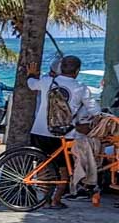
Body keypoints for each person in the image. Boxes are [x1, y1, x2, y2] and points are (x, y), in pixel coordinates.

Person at [26, 55, 99, 210]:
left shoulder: (47, 82)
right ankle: (55, 200)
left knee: (43, 166)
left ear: (60, 68)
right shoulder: (81, 88)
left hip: (38, 131)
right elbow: (95, 110)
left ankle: (44, 199)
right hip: (61, 135)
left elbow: (31, 84)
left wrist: (31, 74)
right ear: (78, 70)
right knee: (64, 171)